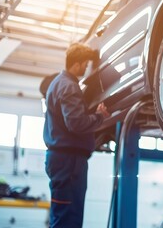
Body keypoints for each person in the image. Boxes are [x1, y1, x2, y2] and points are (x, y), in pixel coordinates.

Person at [43, 43, 110, 227]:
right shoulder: (69, 86)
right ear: (77, 63)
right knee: (68, 217)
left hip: (63, 160)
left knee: (63, 215)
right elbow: (76, 123)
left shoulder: (58, 83)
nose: (87, 68)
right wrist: (99, 117)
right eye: (86, 64)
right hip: (69, 162)